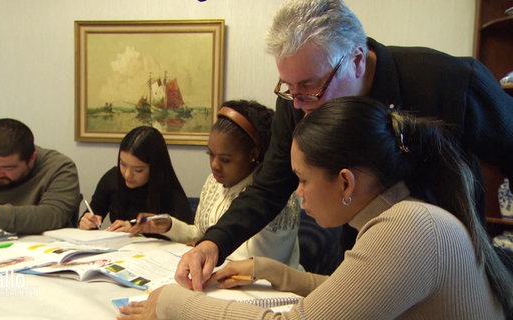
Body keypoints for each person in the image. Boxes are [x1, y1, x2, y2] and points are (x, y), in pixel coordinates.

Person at [175, 0, 513, 291]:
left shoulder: (450, 82)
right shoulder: (297, 104)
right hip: (360, 257)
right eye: (288, 87)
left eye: (310, 85)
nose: (299, 103)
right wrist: (213, 242)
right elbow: (269, 187)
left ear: (357, 59)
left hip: (448, 268)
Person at [118, 97, 513, 319]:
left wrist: (171, 303)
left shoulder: (408, 228)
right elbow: (349, 296)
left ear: (345, 182)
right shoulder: (409, 216)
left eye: (302, 179)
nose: (299, 193)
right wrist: (267, 270)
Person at [128, 100, 301, 268]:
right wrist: (170, 226)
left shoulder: (277, 197)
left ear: (253, 154)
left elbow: (261, 264)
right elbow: (201, 233)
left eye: (225, 159)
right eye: (210, 154)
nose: (214, 165)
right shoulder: (214, 181)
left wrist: (203, 245)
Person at [78, 126, 194, 233]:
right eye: (123, 164)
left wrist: (137, 230)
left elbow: (187, 238)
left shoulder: (170, 193)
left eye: (138, 170)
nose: (127, 175)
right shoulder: (113, 178)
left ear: (154, 169)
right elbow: (94, 212)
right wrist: (86, 222)